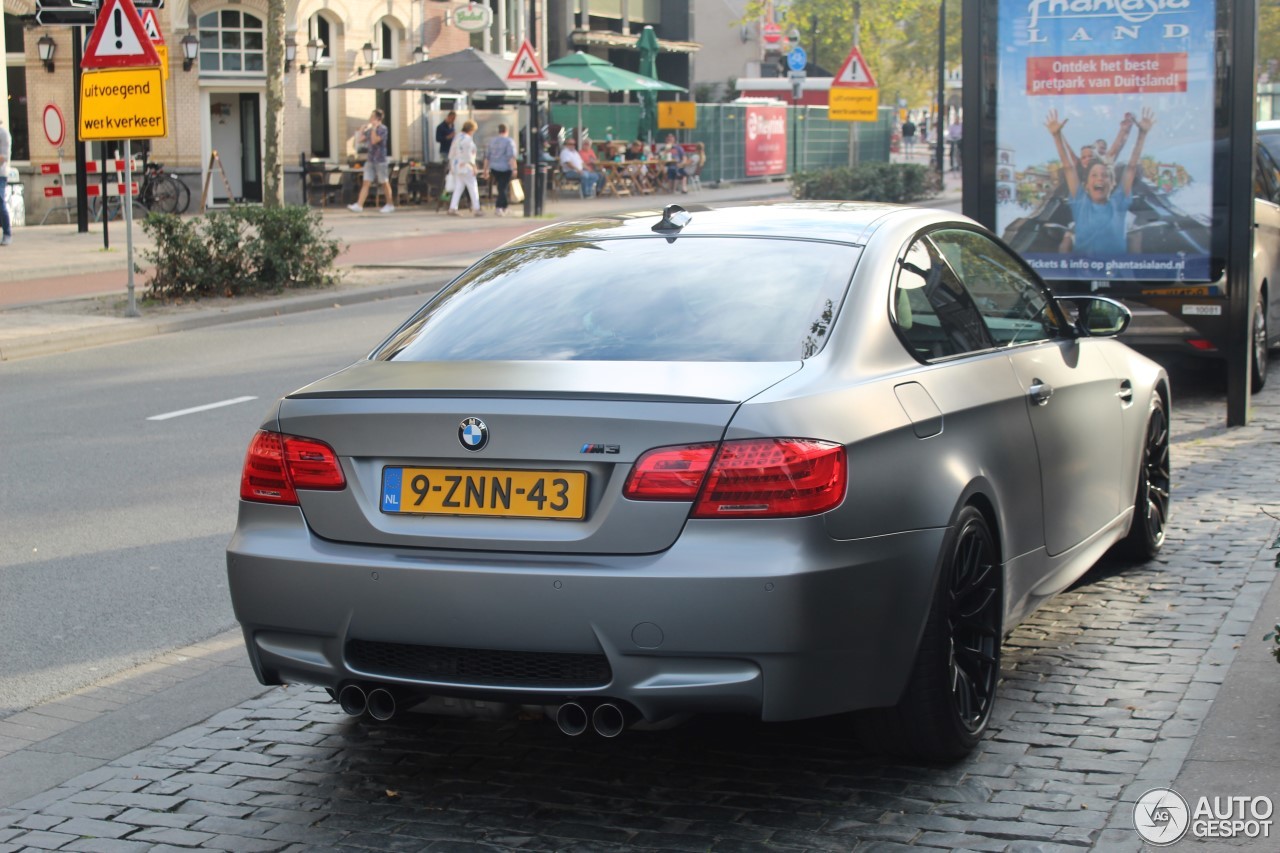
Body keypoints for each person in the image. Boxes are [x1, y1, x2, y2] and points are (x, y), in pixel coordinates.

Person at [1046, 107, 1155, 256]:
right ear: (1086, 185)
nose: (1099, 179)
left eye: (1105, 176)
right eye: (1094, 175)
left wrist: (1142, 135)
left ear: (1112, 183)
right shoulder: (1081, 203)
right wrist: (1056, 136)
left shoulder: (1118, 202)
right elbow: (1068, 168)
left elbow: (1131, 168)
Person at [347, 110, 394, 214]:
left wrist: (373, 128)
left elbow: (374, 140)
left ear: (378, 119)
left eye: (372, 117)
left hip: (380, 160)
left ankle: (390, 204)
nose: (370, 119)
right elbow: (359, 140)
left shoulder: (383, 129)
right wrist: (362, 131)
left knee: (384, 182)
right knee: (366, 182)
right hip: (370, 159)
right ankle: (359, 205)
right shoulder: (370, 130)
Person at [448, 119, 483, 216]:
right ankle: (476, 208)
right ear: (471, 129)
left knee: (459, 187)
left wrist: (451, 165)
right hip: (466, 166)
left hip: (456, 166)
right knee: (473, 187)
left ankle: (453, 207)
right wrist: (474, 166)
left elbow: (451, 153)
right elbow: (469, 155)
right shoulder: (467, 139)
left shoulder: (457, 137)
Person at [485, 123, 518, 217]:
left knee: (501, 187)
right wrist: (514, 168)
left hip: (494, 167)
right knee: (503, 188)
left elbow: (487, 156)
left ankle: (504, 207)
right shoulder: (509, 141)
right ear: (506, 131)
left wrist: (485, 169)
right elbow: (511, 157)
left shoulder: (492, 141)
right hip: (505, 168)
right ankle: (499, 207)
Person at [0, 118, 11, 246]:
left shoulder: (3, 134)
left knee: (0, 200)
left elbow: (4, 157)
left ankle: (7, 233)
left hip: (0, 175)